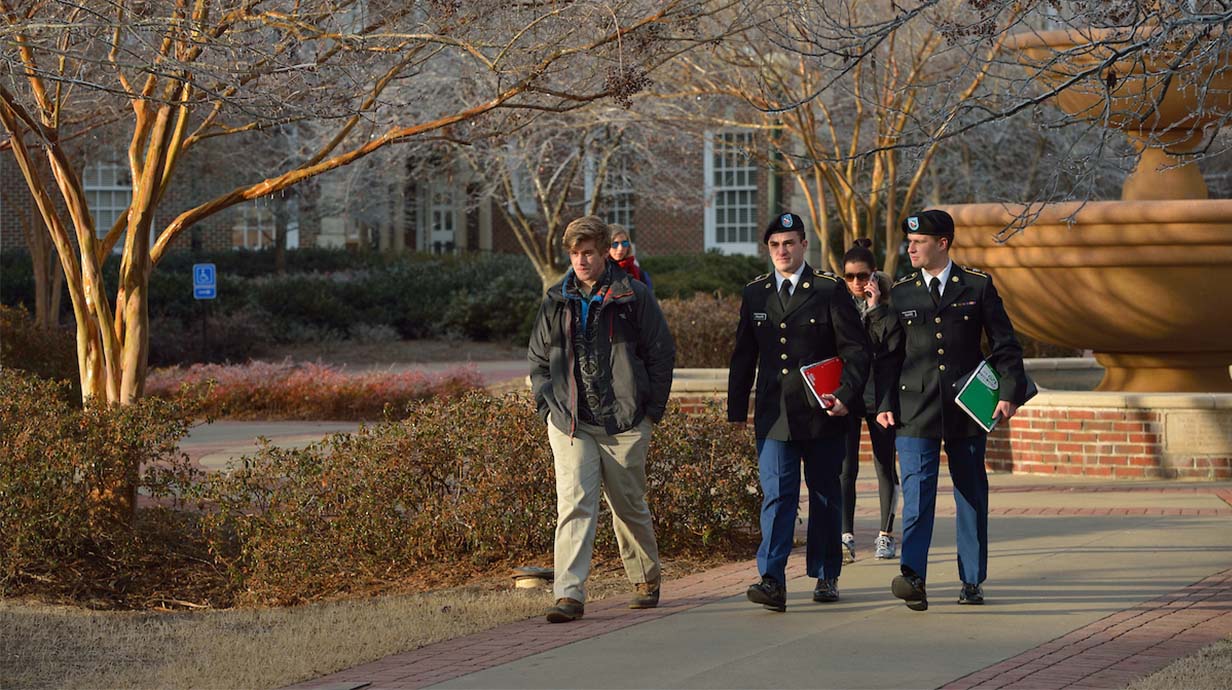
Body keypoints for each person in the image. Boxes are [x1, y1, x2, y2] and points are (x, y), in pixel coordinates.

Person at [875, 209, 1029, 611]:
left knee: (971, 493)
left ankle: (972, 579)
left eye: (919, 241)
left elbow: (1006, 344)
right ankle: (913, 578)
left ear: (942, 243)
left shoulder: (977, 286)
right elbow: (889, 355)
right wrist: (884, 403)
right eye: (909, 240)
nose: (910, 247)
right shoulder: (903, 291)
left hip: (966, 408)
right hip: (915, 409)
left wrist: (1008, 392)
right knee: (917, 494)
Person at [528, 215, 676, 624]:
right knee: (574, 504)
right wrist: (548, 409)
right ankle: (569, 594)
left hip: (625, 422)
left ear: (604, 250)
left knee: (628, 505)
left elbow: (661, 353)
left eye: (588, 253)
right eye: (574, 254)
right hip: (571, 421)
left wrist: (650, 413)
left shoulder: (634, 296)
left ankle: (645, 579)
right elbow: (539, 360)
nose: (580, 261)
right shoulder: (556, 298)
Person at [728, 212, 871, 612]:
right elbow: (744, 355)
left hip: (822, 411)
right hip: (775, 415)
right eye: (774, 245)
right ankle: (772, 579)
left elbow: (856, 350)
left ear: (804, 245)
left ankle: (826, 573)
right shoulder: (755, 293)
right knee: (777, 496)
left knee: (825, 495)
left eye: (788, 243)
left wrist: (846, 395)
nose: (781, 251)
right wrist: (737, 410)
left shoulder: (827, 289)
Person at [837, 239, 900, 564]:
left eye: (862, 276)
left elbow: (886, 351)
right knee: (846, 469)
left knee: (883, 465)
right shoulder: (840, 304)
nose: (856, 283)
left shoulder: (891, 306)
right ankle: (845, 535)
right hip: (849, 395)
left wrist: (875, 309)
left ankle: (885, 536)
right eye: (849, 277)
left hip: (880, 398)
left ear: (873, 275)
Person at [608, 224, 652, 290]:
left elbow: (648, 297)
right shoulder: (599, 270)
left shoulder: (639, 272)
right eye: (615, 244)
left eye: (624, 243)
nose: (620, 248)